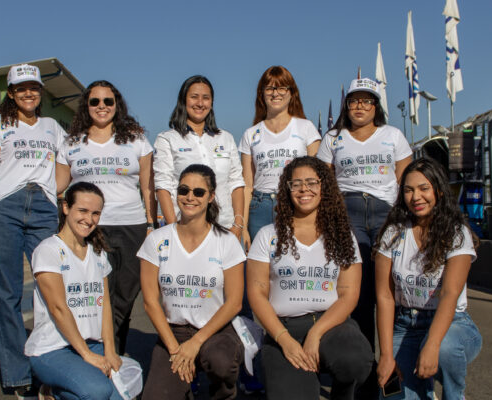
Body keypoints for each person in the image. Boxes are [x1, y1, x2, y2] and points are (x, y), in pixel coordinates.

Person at [247, 156, 373, 399]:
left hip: (331, 325)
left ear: (323, 187)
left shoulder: (342, 235)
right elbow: (257, 292)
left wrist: (316, 334)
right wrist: (284, 339)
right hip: (284, 328)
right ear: (287, 190)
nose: (304, 189)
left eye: (312, 182)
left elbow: (348, 295)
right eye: (296, 184)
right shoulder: (267, 235)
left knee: (355, 361)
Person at [0, 64, 65, 398]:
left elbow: (64, 166)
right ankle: (18, 377)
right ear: (11, 93)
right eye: (21, 88)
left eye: (35, 88)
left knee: (51, 289)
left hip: (43, 208)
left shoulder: (52, 126)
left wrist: (50, 192)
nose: (29, 93)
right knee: (8, 294)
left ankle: (50, 366)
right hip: (5, 208)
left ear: (41, 93)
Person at [56, 80, 155, 355]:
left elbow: (148, 185)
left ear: (117, 105)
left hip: (131, 225)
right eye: (95, 101)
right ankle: (104, 356)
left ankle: (108, 353)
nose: (102, 107)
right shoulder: (72, 143)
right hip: (89, 229)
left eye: (108, 101)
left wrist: (151, 223)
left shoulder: (135, 139)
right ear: (86, 106)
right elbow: (57, 185)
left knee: (124, 296)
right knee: (98, 296)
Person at [317, 78, 413, 351]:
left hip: (386, 214)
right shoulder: (333, 139)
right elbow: (324, 181)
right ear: (346, 106)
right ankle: (364, 362)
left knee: (388, 284)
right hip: (349, 213)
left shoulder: (393, 135)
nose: (360, 106)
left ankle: (393, 356)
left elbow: (406, 178)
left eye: (366, 100)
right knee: (358, 288)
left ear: (376, 106)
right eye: (354, 101)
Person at [375, 158, 482, 400]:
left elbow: (450, 294)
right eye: (409, 190)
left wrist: (431, 345)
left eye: (424, 188)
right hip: (406, 325)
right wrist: (386, 355)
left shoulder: (456, 233)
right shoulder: (392, 233)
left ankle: (454, 396)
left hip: (453, 324)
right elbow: (384, 296)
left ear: (439, 191)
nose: (416, 197)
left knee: (443, 351)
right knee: (390, 393)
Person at [138, 164, 246, 399]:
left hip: (216, 330)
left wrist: (196, 342)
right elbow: (150, 302)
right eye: (183, 190)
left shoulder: (226, 241)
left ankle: (223, 393)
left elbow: (235, 303)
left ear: (211, 197)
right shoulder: (157, 240)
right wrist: (176, 351)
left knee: (221, 363)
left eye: (199, 192)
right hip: (173, 333)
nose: (190, 197)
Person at [25, 182, 122, 400]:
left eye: (96, 213)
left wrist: (110, 350)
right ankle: (55, 389)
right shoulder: (48, 251)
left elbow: (104, 305)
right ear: (66, 207)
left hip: (92, 344)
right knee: (98, 391)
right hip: (53, 349)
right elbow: (58, 309)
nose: (89, 219)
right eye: (83, 210)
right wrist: (87, 355)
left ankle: (53, 392)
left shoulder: (98, 254)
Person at [153, 75, 245, 239]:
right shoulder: (167, 139)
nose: (200, 103)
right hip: (184, 229)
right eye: (194, 97)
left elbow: (236, 182)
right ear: (183, 100)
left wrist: (238, 225)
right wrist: (175, 229)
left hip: (225, 227)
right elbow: (163, 186)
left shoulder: (226, 138)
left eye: (206, 98)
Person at [239, 66, 321, 249]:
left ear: (292, 93)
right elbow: (247, 185)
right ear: (262, 94)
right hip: (260, 207)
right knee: (260, 266)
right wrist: (243, 227)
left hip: (295, 204)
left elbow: (318, 178)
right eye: (270, 88)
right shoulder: (250, 134)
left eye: (282, 87)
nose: (275, 93)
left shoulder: (306, 128)